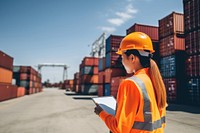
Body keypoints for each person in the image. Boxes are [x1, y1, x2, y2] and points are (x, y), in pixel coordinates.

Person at [94, 32, 167, 133]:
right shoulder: (155, 80)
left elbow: (120, 129)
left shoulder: (130, 83)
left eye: (122, 57)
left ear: (132, 58)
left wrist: (101, 113)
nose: (122, 62)